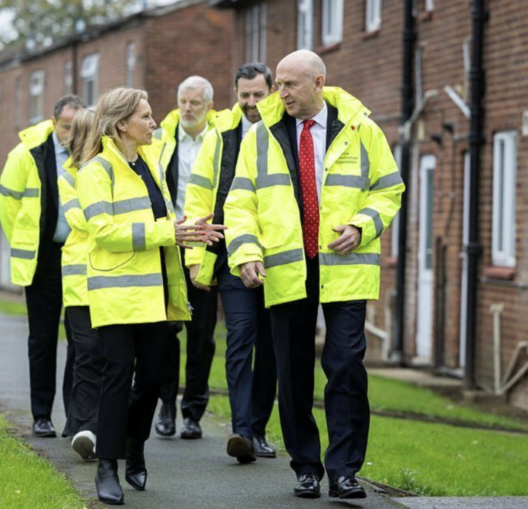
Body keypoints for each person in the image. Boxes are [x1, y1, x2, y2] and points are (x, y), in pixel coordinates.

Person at [225, 50, 404, 499]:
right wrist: (245, 251)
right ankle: (305, 466)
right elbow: (240, 202)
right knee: (293, 372)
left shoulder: (362, 129)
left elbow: (389, 189)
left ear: (319, 83)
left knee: (345, 367)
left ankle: (344, 471)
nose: (280, 92)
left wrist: (362, 225)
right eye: (278, 84)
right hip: (287, 268)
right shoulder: (260, 134)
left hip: (344, 265)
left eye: (290, 84)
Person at [76, 87, 224, 505]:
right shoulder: (95, 171)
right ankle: (107, 467)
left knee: (156, 378)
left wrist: (187, 228)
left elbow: (158, 221)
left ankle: (134, 446)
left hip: (159, 293)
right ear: (122, 123)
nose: (155, 121)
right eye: (146, 115)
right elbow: (102, 230)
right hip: (119, 296)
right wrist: (166, 231)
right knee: (118, 376)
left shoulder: (150, 164)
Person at [184, 63, 278, 462]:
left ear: (271, 92)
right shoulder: (219, 135)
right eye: (245, 96)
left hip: (277, 256)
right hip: (229, 256)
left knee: (272, 347)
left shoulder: (285, 130)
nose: (252, 103)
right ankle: (241, 432)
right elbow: (198, 196)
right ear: (235, 95)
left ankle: (257, 429)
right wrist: (194, 256)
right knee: (240, 339)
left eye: (258, 95)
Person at [0, 95, 84, 438]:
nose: (70, 135)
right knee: (43, 339)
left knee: (82, 340)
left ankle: (76, 418)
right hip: (44, 259)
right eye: (65, 127)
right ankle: (41, 415)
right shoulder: (27, 153)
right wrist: (25, 242)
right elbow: (6, 203)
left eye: (77, 129)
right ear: (53, 122)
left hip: (80, 258)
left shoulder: (91, 153)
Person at [153, 76, 221, 439]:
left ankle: (193, 411)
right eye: (183, 101)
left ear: (209, 106)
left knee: (202, 335)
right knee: (166, 332)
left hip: (205, 245)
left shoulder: (220, 137)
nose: (187, 108)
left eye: (195, 102)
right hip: (169, 245)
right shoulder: (161, 138)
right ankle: (165, 406)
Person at [57, 108, 103, 459]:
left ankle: (97, 425)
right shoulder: (68, 175)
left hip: (118, 279)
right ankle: (83, 426)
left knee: (112, 358)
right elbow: (82, 219)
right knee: (86, 354)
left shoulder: (119, 169)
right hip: (81, 281)